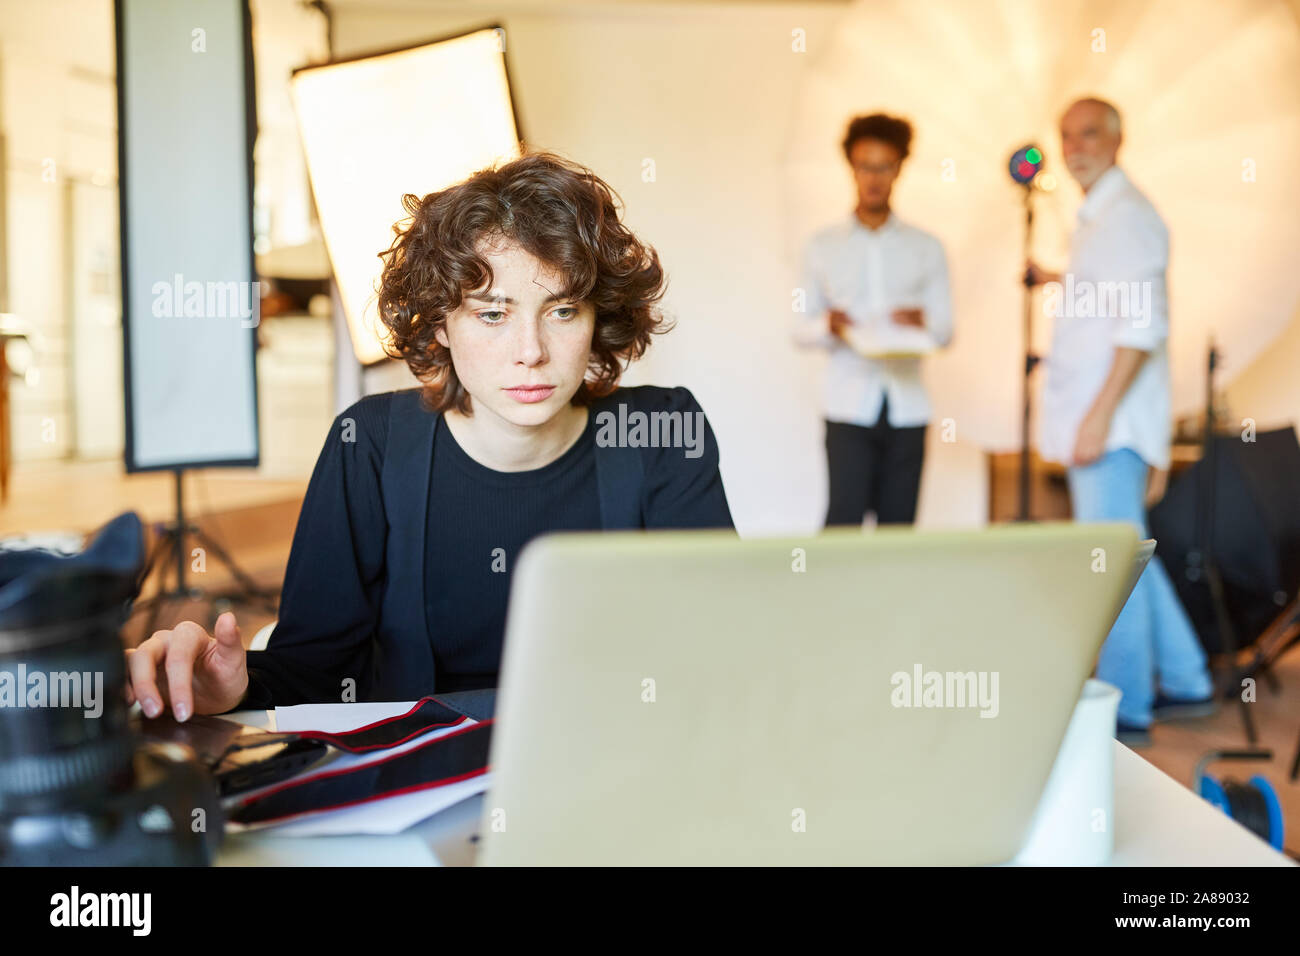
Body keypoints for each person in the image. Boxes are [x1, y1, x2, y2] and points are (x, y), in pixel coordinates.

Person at [125, 151, 734, 720]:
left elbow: (720, 650)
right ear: (440, 323)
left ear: (598, 315)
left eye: (562, 310)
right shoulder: (368, 445)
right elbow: (312, 673)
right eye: (492, 314)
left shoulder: (659, 435)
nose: (531, 353)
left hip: (615, 767)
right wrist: (236, 687)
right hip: (421, 790)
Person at [1027, 97, 1214, 746]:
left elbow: (1142, 327)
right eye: (1066, 136)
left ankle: (1128, 706)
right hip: (1105, 421)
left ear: (1118, 138)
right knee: (1131, 552)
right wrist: (1055, 277)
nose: (1075, 146)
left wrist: (1097, 417)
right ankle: (1188, 680)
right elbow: (1110, 298)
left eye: (1089, 134)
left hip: (1109, 423)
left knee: (1111, 561)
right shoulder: (1099, 221)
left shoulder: (1128, 218)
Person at [795, 113, 953, 528]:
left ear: (899, 168)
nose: (874, 177)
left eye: (884, 166)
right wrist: (828, 325)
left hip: (908, 409)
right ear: (852, 166)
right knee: (842, 523)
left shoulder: (927, 247)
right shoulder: (822, 245)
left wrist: (923, 320)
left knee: (898, 530)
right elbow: (799, 326)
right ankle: (832, 596)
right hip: (848, 406)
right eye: (866, 165)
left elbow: (946, 329)